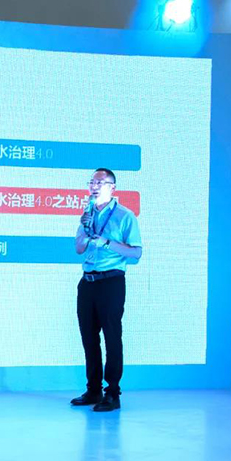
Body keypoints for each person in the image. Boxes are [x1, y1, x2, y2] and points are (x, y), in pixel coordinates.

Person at [70, 168, 142, 412]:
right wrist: (86, 233)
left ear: (112, 187)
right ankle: (93, 389)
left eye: (100, 182)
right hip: (87, 282)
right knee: (89, 338)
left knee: (112, 337)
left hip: (111, 282)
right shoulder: (87, 214)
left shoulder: (125, 216)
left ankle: (112, 392)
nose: (94, 185)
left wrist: (107, 243)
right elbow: (79, 249)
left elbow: (136, 252)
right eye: (92, 182)